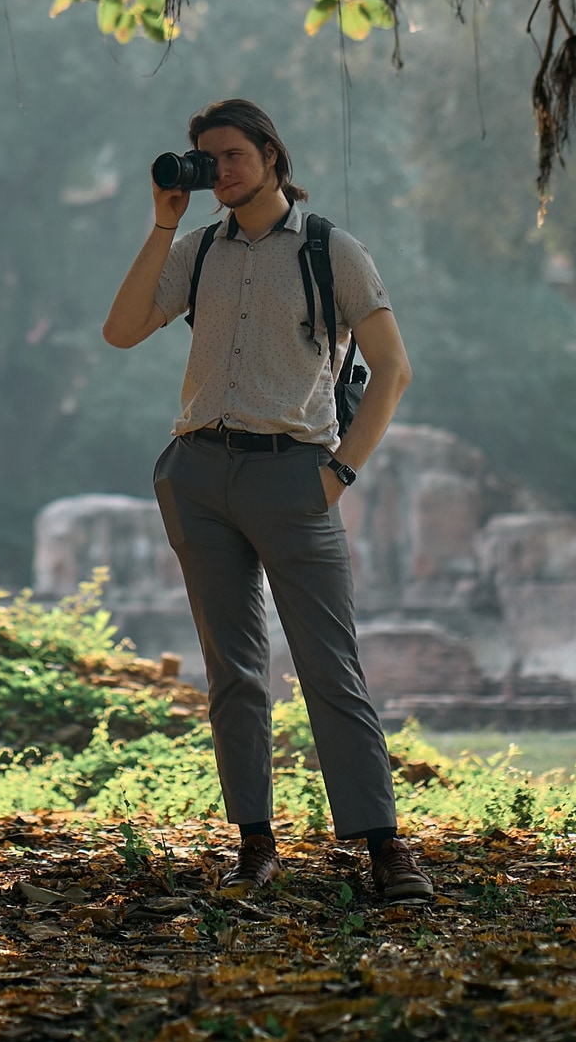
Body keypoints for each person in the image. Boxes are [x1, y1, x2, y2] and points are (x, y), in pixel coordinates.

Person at [100, 97, 429, 904]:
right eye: (206, 159)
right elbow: (121, 330)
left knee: (329, 665)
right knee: (233, 672)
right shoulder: (198, 250)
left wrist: (339, 473)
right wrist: (161, 224)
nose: (220, 171)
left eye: (233, 156)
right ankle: (254, 846)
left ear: (272, 155)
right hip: (198, 475)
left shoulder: (331, 250)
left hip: (296, 474)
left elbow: (392, 368)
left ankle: (384, 848)